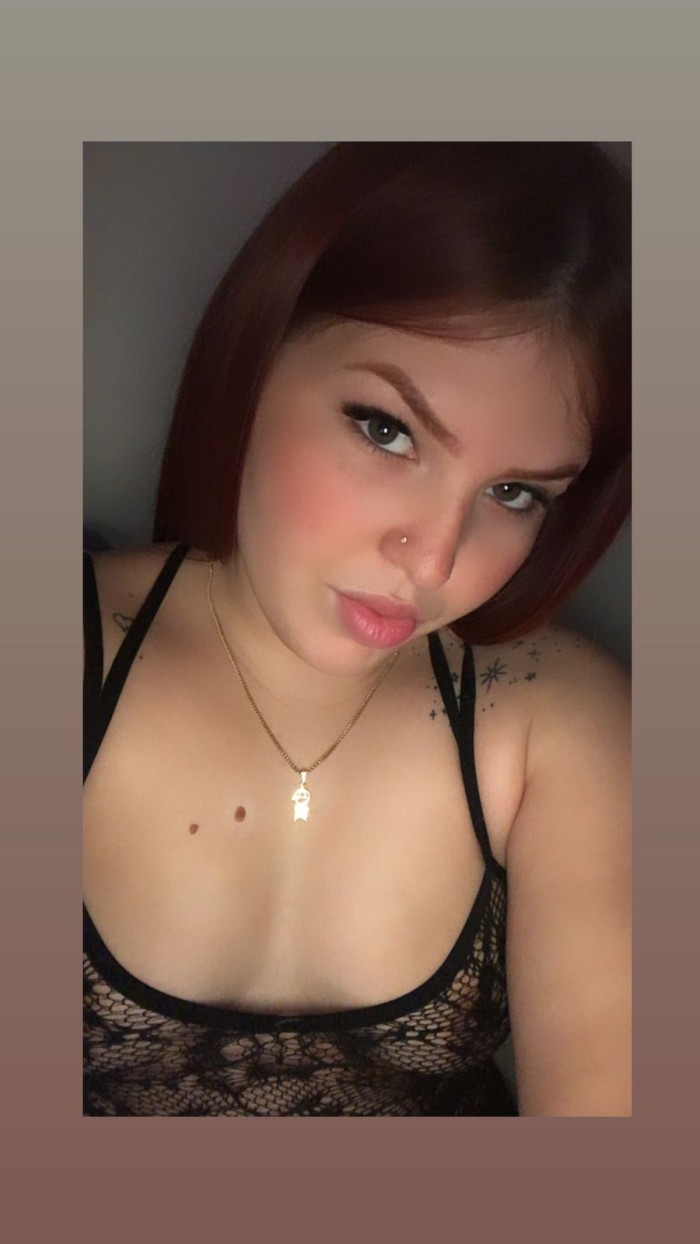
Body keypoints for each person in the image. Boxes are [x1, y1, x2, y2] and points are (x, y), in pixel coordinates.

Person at [83, 142, 631, 1116]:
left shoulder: (557, 720)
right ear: (257, 355)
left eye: (514, 493)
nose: (434, 560)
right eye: (388, 429)